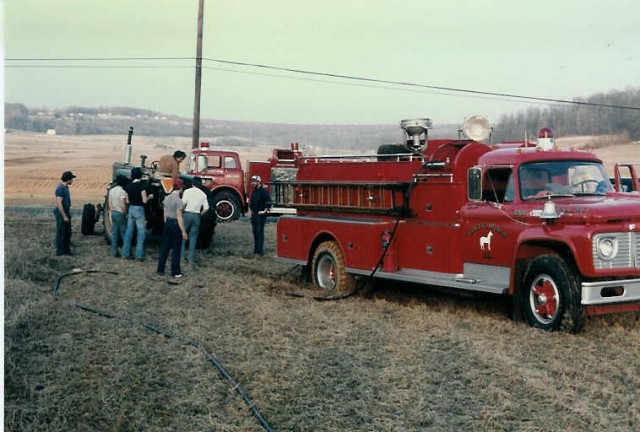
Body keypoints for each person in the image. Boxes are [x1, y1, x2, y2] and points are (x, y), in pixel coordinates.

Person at [157, 178, 188, 278]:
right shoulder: (179, 201)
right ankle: (175, 271)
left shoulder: (167, 198)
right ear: (180, 188)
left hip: (168, 222)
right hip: (175, 223)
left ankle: (160, 269)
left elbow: (164, 213)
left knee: (165, 248)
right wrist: (183, 231)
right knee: (176, 249)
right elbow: (179, 217)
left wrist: (166, 223)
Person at [122, 167, 153, 261]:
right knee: (141, 233)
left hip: (131, 208)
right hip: (139, 209)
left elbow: (127, 201)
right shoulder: (141, 186)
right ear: (140, 175)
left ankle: (125, 253)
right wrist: (150, 197)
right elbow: (144, 200)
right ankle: (139, 256)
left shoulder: (128, 186)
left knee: (129, 232)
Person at [181, 176, 210, 264]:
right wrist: (200, 214)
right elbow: (206, 208)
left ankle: (181, 256)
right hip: (197, 215)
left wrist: (181, 212)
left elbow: (183, 203)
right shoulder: (203, 194)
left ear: (192, 183)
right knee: (193, 237)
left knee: (183, 235)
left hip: (187, 214)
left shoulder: (187, 191)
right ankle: (191, 257)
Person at [53, 171, 76, 256]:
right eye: (72, 179)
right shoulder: (60, 189)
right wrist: (64, 216)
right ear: (68, 179)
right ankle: (60, 252)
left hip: (66, 211)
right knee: (60, 232)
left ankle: (66, 250)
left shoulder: (66, 188)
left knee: (67, 232)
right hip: (61, 212)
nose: (72, 181)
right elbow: (59, 203)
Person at [248, 175, 271, 256]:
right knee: (255, 232)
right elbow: (252, 203)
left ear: (258, 182)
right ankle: (256, 250)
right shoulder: (254, 191)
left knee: (259, 232)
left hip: (260, 215)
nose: (252, 183)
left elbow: (268, 202)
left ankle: (260, 251)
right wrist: (251, 212)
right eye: (252, 181)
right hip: (254, 214)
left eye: (254, 181)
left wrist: (264, 211)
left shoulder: (263, 191)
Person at [107, 175, 128, 257]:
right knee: (124, 233)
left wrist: (112, 211)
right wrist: (125, 213)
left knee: (115, 234)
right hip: (120, 213)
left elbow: (109, 203)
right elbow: (122, 204)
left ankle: (114, 251)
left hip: (113, 212)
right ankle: (125, 253)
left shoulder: (111, 190)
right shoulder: (122, 192)